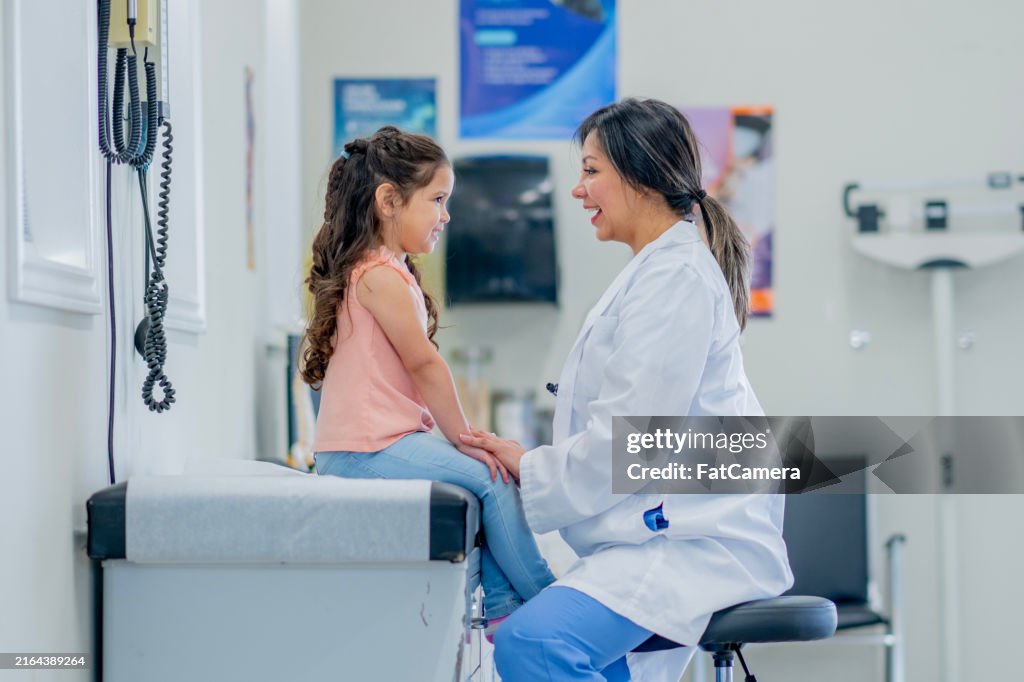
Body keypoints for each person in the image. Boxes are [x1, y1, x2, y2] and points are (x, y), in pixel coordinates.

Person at [460, 99, 794, 682]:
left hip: (692, 540)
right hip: (659, 528)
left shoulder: (675, 277)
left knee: (533, 643)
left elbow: (631, 443)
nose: (577, 190)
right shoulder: (656, 270)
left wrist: (534, 468)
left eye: (591, 171)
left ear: (639, 176)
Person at [301, 126, 555, 634]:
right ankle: (548, 597)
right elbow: (426, 366)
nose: (447, 215)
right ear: (388, 201)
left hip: (366, 447)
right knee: (493, 478)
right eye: (438, 200)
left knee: (485, 482)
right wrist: (469, 441)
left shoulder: (381, 270)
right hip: (363, 452)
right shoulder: (379, 275)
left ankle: (505, 611)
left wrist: (462, 443)